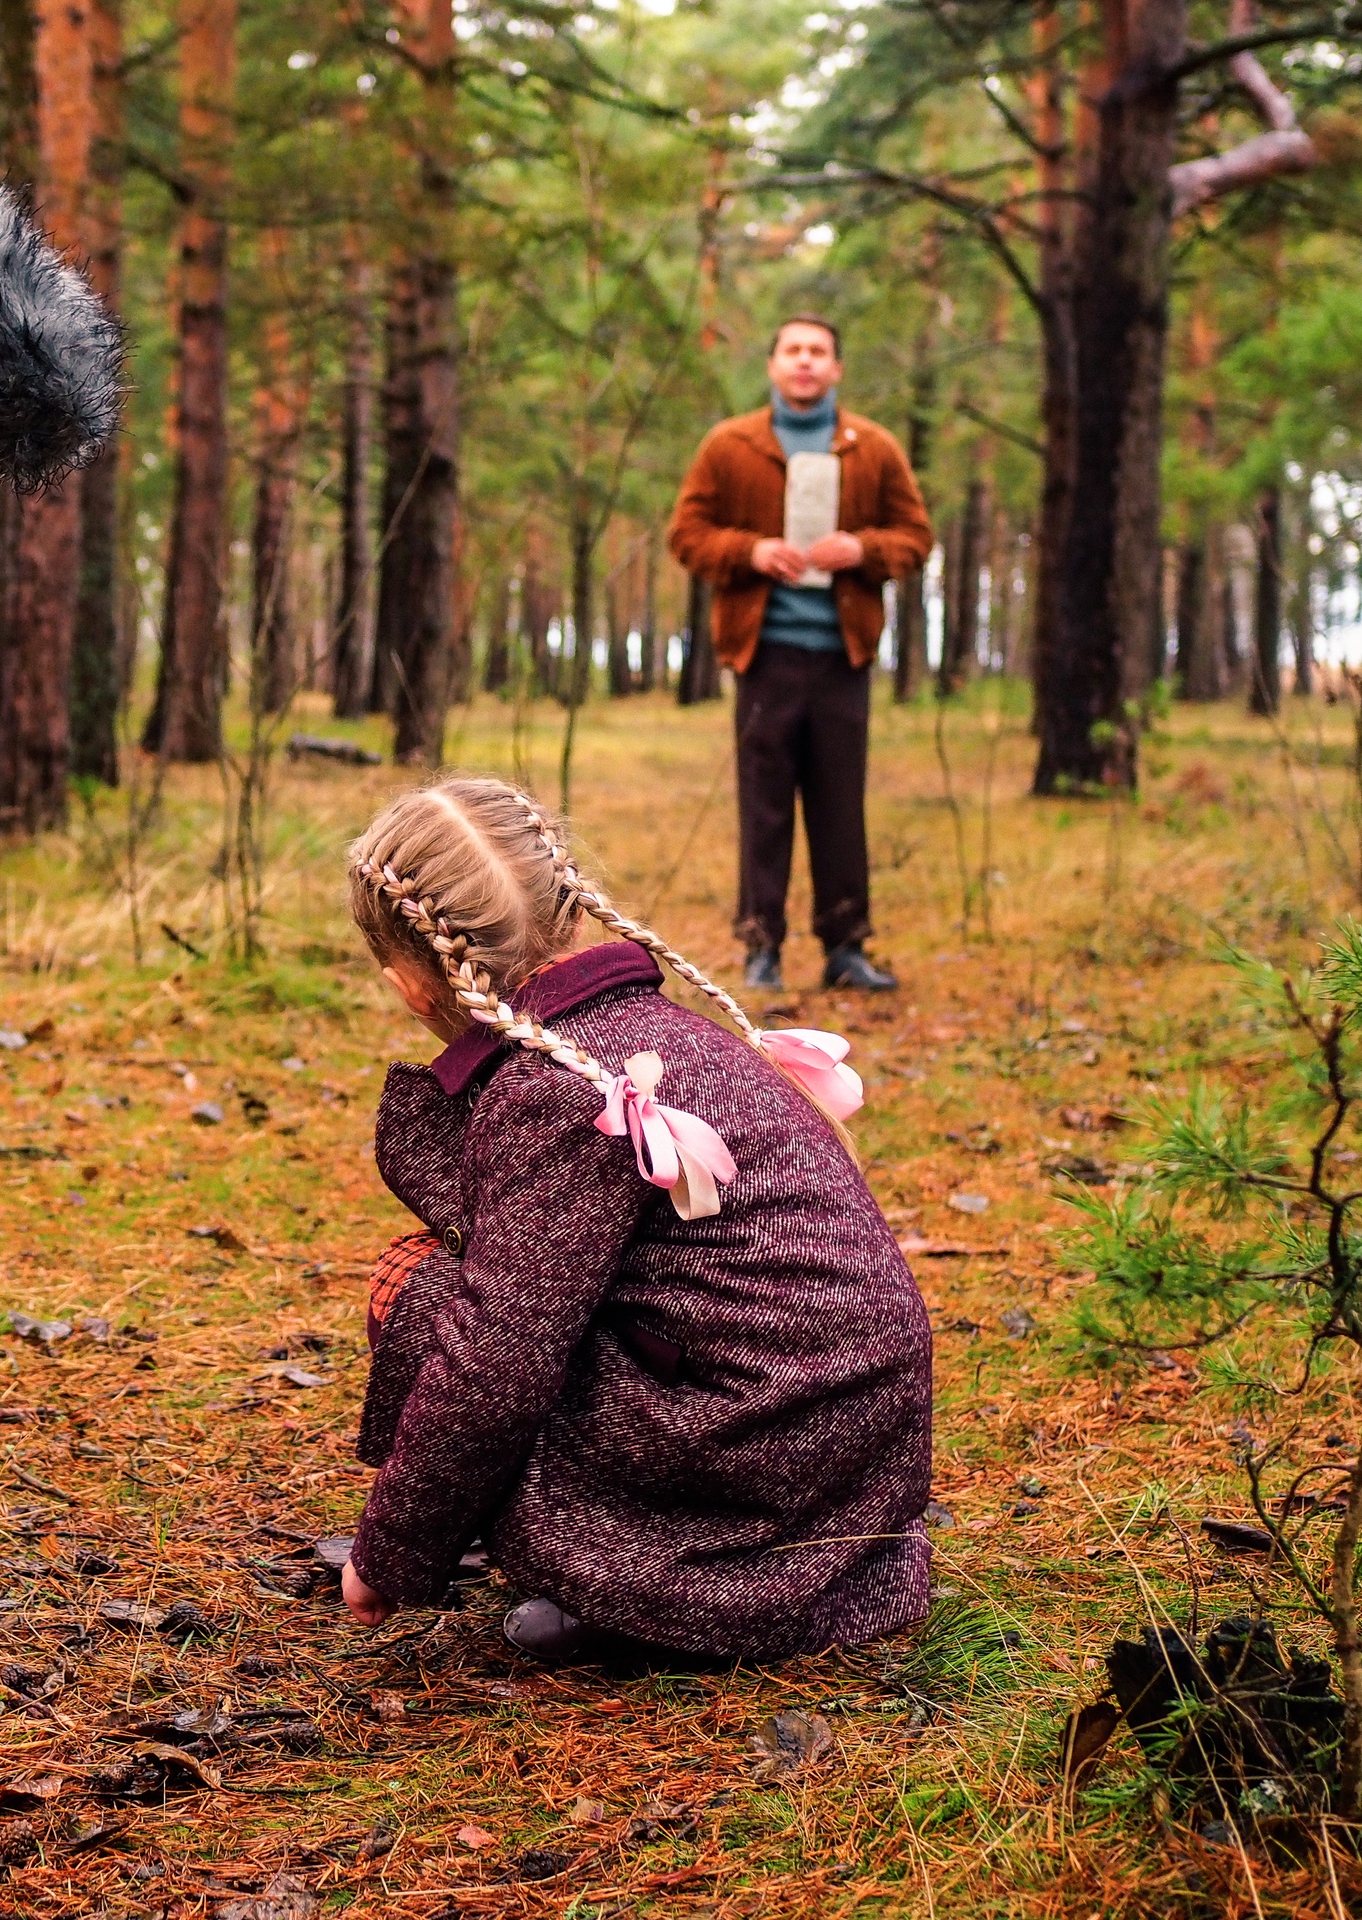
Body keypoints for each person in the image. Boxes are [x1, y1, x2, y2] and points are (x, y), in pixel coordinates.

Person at [336, 778, 933, 1665]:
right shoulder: (660, 1035)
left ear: (412, 988)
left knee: (423, 1295)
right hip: (847, 1452)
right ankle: (719, 1568)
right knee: (496, 1303)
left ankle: (663, 1592)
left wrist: (388, 1553)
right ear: (569, 908)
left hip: (757, 1447)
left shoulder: (556, 1090)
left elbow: (496, 1356)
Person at [668, 317, 931, 993]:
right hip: (765, 657)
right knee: (765, 807)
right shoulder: (730, 446)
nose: (806, 362)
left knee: (841, 805)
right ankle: (762, 950)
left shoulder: (872, 448)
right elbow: (687, 534)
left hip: (843, 659)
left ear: (837, 368)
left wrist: (864, 550)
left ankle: (846, 949)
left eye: (819, 352)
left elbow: (915, 537)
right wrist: (749, 552)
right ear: (773, 364)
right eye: (794, 351)